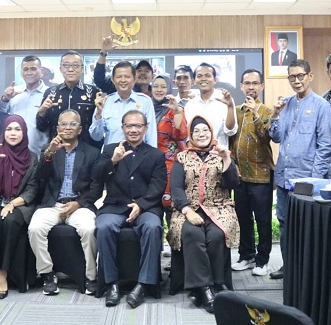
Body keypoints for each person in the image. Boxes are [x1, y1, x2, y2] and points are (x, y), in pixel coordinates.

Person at [93, 110, 166, 309]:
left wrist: (141, 204)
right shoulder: (110, 149)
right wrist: (113, 161)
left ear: (145, 128)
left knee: (153, 227)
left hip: (146, 207)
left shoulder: (156, 154)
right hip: (115, 206)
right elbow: (97, 176)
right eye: (129, 125)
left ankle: (143, 284)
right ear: (123, 128)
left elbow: (158, 185)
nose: (133, 129)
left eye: (138, 126)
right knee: (104, 227)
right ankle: (112, 283)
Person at [268, 59, 331, 280]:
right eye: (292, 77)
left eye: (300, 76)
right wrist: (275, 115)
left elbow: (325, 146)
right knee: (284, 223)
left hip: (306, 179)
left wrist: (315, 180)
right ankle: (288, 267)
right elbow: (276, 137)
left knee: (307, 226)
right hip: (284, 175)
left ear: (310, 76)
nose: (296, 81)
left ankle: (307, 271)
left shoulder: (321, 106)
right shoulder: (285, 103)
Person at [169, 116, 240, 314]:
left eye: (205, 130)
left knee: (216, 235)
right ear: (191, 135)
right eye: (197, 131)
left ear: (211, 132)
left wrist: (226, 159)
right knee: (192, 234)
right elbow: (176, 188)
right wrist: (187, 210)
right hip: (188, 209)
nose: (202, 134)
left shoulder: (221, 154)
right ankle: (206, 289)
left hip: (219, 208)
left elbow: (233, 184)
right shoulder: (182, 157)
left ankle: (208, 286)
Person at [28, 110, 103, 296]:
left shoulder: (92, 153)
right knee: (35, 228)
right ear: (57, 128)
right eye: (64, 124)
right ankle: (47, 274)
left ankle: (91, 277)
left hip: (80, 205)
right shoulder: (49, 150)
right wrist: (50, 153)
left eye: (73, 124)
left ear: (80, 129)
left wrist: (78, 203)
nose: (68, 127)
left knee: (89, 229)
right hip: (52, 204)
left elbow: (96, 188)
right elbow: (39, 179)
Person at [0, 114, 39, 299]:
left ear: (24, 132)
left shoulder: (32, 157)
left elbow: (33, 189)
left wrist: (12, 204)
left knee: (11, 221)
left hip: (18, 204)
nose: (13, 133)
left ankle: (3, 272)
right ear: (3, 132)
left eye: (17, 129)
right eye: (9, 129)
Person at [230, 69, 273, 276]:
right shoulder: (235, 111)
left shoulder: (267, 111)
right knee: (243, 218)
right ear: (241, 86)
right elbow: (230, 140)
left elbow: (266, 137)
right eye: (247, 83)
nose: (251, 87)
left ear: (262, 86)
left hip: (261, 175)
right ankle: (246, 256)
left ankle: (263, 260)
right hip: (239, 175)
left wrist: (256, 114)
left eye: (255, 83)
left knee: (263, 220)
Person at [36, 51, 101, 148]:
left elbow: (98, 128)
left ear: (82, 69)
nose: (70, 69)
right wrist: (41, 112)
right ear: (60, 69)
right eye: (66, 65)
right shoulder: (51, 93)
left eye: (76, 65)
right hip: (57, 149)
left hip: (86, 150)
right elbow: (41, 127)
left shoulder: (93, 92)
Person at [89, 61, 157, 148]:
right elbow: (96, 137)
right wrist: (98, 114)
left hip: (138, 154)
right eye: (119, 77)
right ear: (112, 80)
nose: (123, 80)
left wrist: (152, 155)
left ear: (135, 79)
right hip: (111, 154)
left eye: (127, 77)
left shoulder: (145, 101)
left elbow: (151, 136)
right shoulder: (105, 101)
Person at [150, 74, 187, 219]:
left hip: (169, 164)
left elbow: (181, 135)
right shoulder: (146, 107)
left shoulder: (175, 109)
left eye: (163, 86)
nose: (159, 90)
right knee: (151, 208)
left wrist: (177, 112)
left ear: (169, 88)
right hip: (149, 164)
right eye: (155, 86)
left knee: (171, 208)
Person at [0, 55, 48, 155]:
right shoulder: (14, 92)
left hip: (40, 154)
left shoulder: (49, 93)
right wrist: (5, 99)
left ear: (41, 71)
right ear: (21, 72)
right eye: (25, 69)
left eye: (33, 69)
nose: (29, 73)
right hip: (14, 154)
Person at [184, 63, 238, 150]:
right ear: (194, 81)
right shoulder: (190, 105)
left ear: (215, 80)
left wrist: (230, 107)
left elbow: (230, 131)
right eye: (199, 76)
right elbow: (190, 134)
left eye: (207, 75)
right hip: (197, 154)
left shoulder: (225, 100)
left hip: (219, 154)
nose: (203, 79)